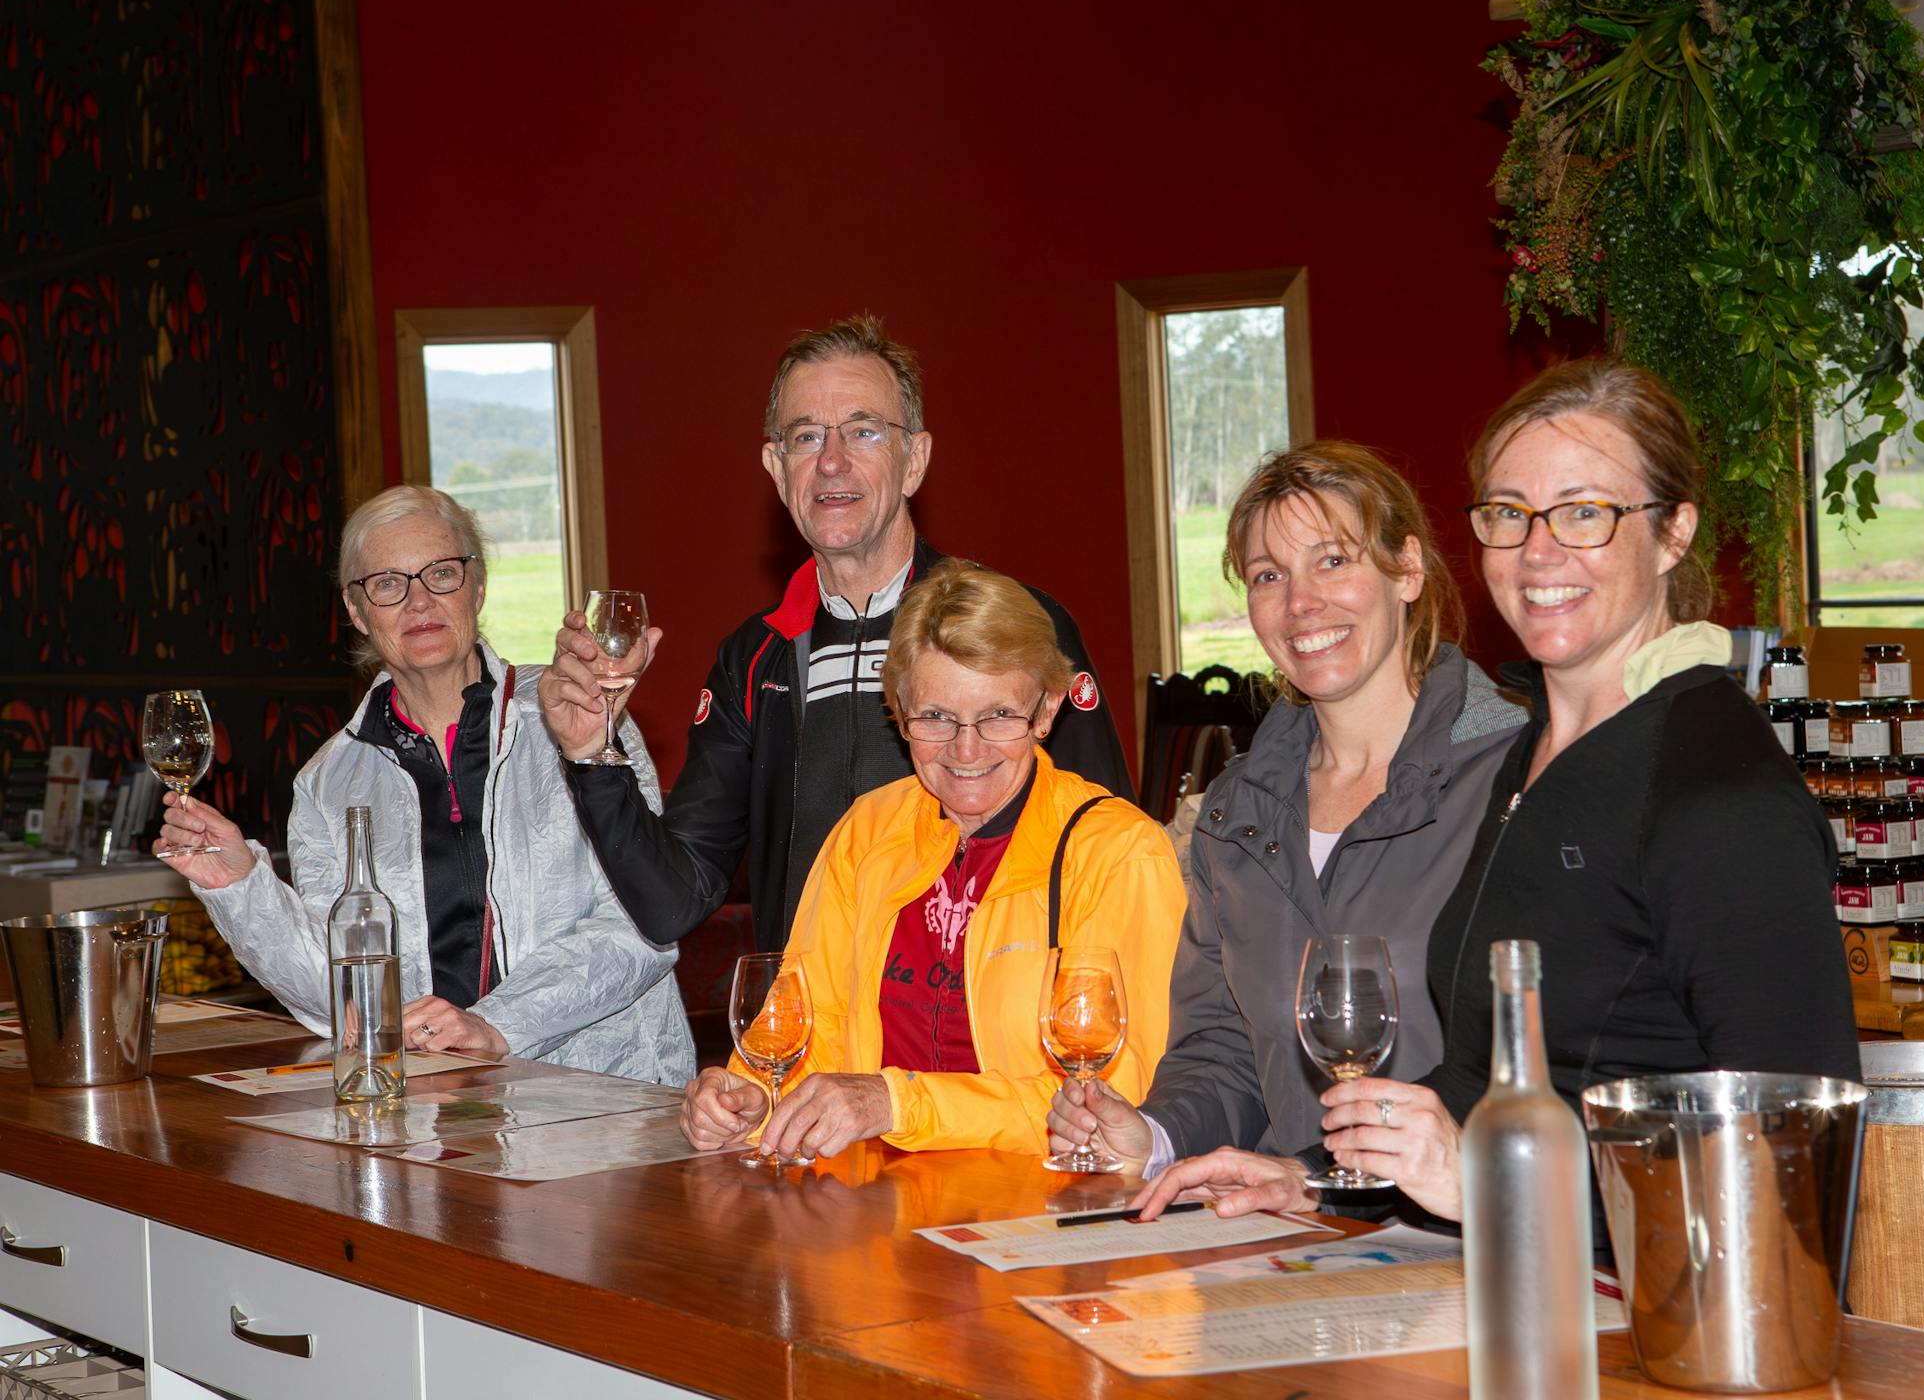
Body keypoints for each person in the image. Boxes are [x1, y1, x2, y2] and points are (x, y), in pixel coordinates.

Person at [1130, 358, 1859, 1226]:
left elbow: (1796, 1158)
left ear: (1673, 534)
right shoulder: (1538, 763)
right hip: (1521, 1298)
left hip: (1668, 1336)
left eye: (1585, 512)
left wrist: (1486, 1182)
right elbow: (1479, 1084)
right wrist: (1316, 1179)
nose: (1539, 551)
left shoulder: (1717, 789)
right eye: (1511, 514)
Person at [542, 315, 1131, 955]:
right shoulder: (752, 659)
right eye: (806, 436)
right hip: (811, 1040)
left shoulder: (1018, 628)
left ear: (915, 461)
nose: (830, 461)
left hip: (980, 1036)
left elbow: (1107, 855)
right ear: (776, 466)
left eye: (864, 431)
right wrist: (592, 756)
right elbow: (672, 903)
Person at [1044, 441, 1524, 1178]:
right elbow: (1224, 1050)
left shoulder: (1513, 781)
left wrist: (1313, 1177)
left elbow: (1548, 1057)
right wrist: (1156, 1136)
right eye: (1270, 576)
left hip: (1463, 1230)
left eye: (1333, 561)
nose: (1301, 603)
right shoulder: (1234, 815)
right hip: (1295, 1238)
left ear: (1408, 570)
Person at [153, 485, 693, 1085]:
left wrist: (496, 1025)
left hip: (607, 1099)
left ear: (478, 587)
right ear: (358, 612)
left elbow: (644, 925)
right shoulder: (328, 781)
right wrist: (241, 888)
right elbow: (340, 997)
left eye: (440, 574)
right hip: (433, 1111)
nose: (417, 602)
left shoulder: (579, 716)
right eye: (387, 583)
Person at [677, 559, 1183, 1159]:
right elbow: (811, 1021)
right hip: (870, 1210)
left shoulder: (1117, 853)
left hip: (1045, 1217)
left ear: (1046, 711)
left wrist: (897, 1102)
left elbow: (1113, 1102)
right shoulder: (866, 831)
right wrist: (753, 1096)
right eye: (935, 716)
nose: (965, 749)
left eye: (998, 714)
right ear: (898, 712)